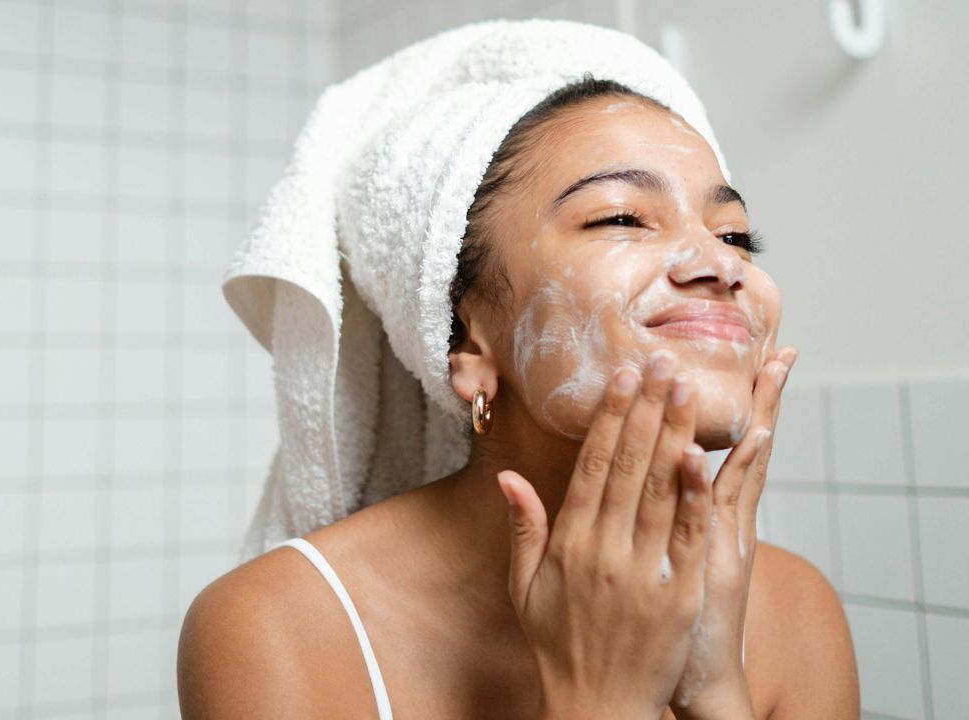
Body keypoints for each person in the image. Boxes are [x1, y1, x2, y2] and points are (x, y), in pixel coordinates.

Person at [178, 22, 859, 720]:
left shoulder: (794, 611)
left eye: (736, 234)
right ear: (468, 337)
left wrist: (715, 692)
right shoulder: (278, 628)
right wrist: (603, 701)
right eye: (622, 217)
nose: (722, 263)